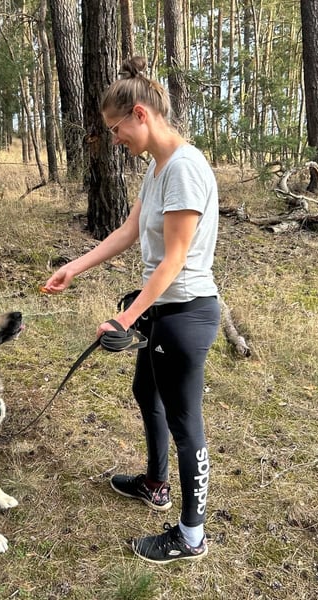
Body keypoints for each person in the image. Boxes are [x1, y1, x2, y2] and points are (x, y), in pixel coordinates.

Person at [42, 56, 221, 564]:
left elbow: (175, 259)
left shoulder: (184, 168)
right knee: (147, 390)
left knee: (186, 423)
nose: (115, 138)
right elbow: (127, 232)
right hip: (161, 310)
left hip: (185, 313)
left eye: (116, 128)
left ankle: (191, 536)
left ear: (140, 114)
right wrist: (74, 267)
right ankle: (155, 484)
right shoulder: (158, 169)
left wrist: (125, 317)